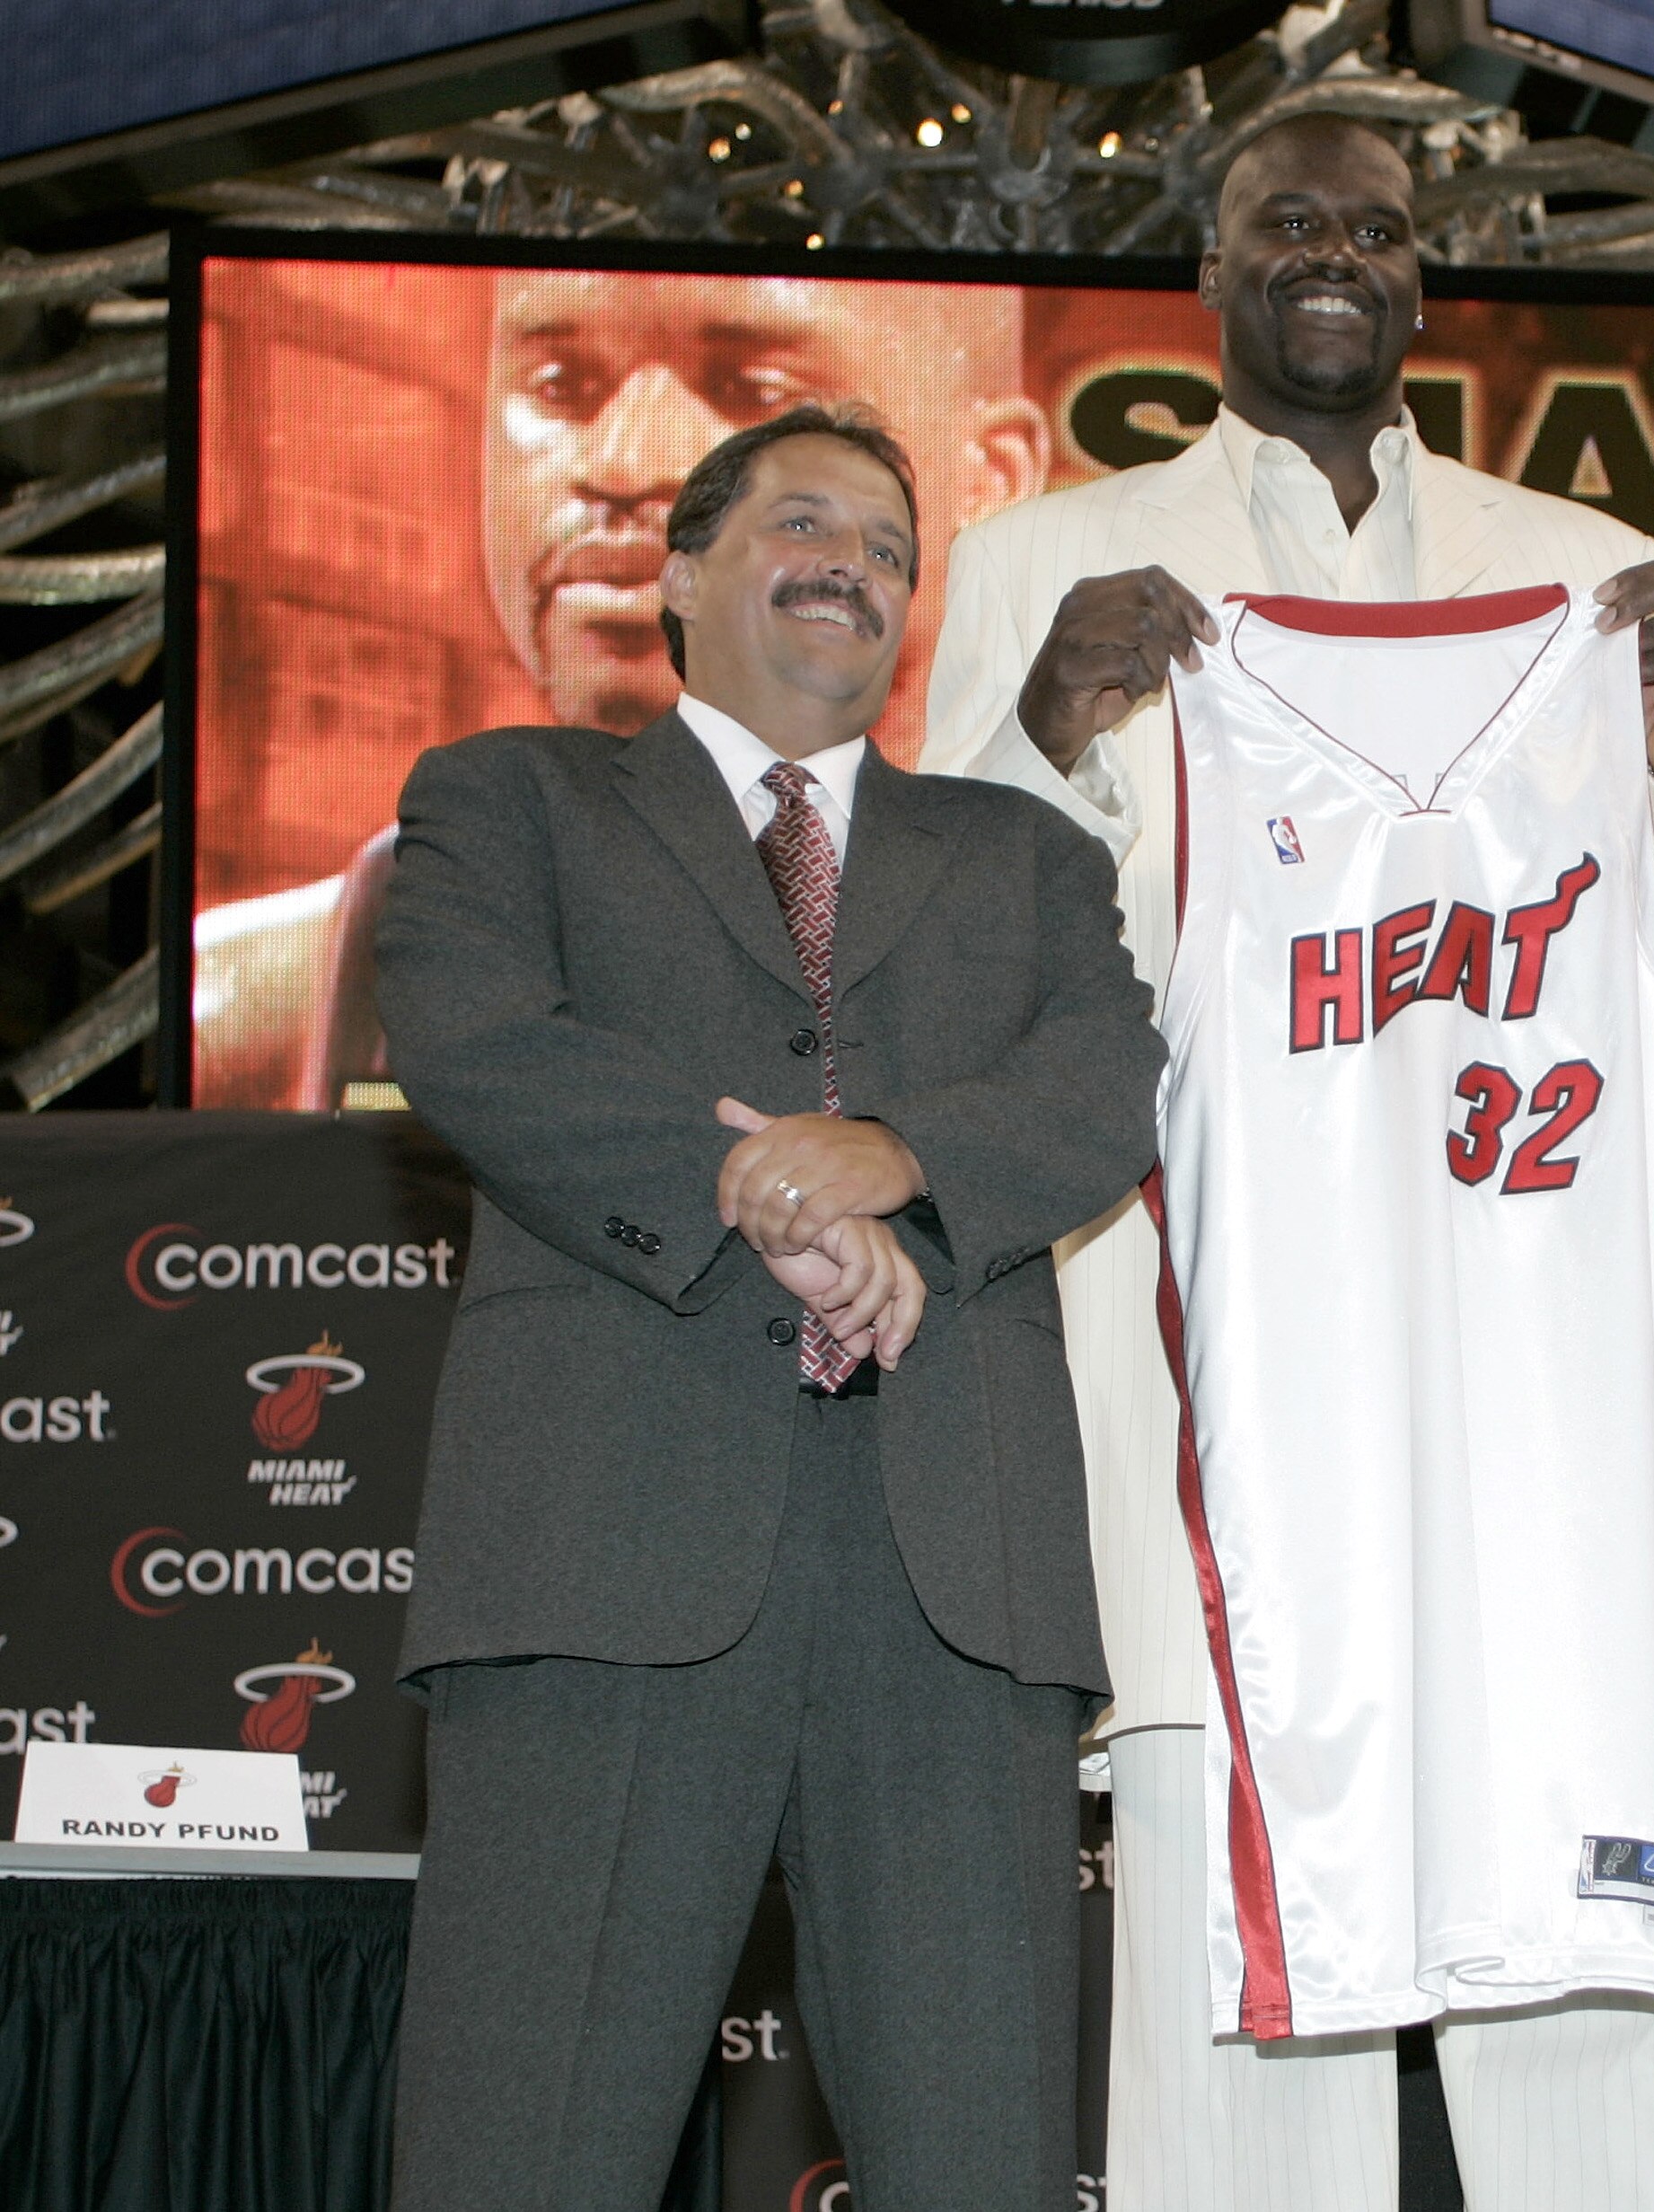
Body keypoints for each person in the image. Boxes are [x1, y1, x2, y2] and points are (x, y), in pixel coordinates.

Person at [923, 110, 1654, 2212]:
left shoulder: (1584, 567)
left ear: (1419, 277)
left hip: (1531, 1426)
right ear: (1208, 275)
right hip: (1214, 1416)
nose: (1333, 256)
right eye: (1284, 223)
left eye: (1374, 231)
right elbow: (939, 981)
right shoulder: (1047, 567)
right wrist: (1041, 738)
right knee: (1241, 2087)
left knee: (1587, 2072)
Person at [378, 403, 1159, 2212]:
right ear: (681, 574)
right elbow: (476, 1040)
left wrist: (896, 1158)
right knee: (520, 2154)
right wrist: (772, 1192)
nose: (852, 566)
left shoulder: (1029, 857)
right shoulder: (509, 799)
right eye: (805, 522)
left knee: (984, 2166)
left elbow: (1107, 1083)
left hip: (952, 1593)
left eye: (888, 549)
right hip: (598, 1561)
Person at [197, 269, 1049, 1108]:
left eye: (754, 394)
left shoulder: (1062, 915)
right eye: (560, 386)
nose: (624, 462)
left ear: (991, 482)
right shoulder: (252, 1003)